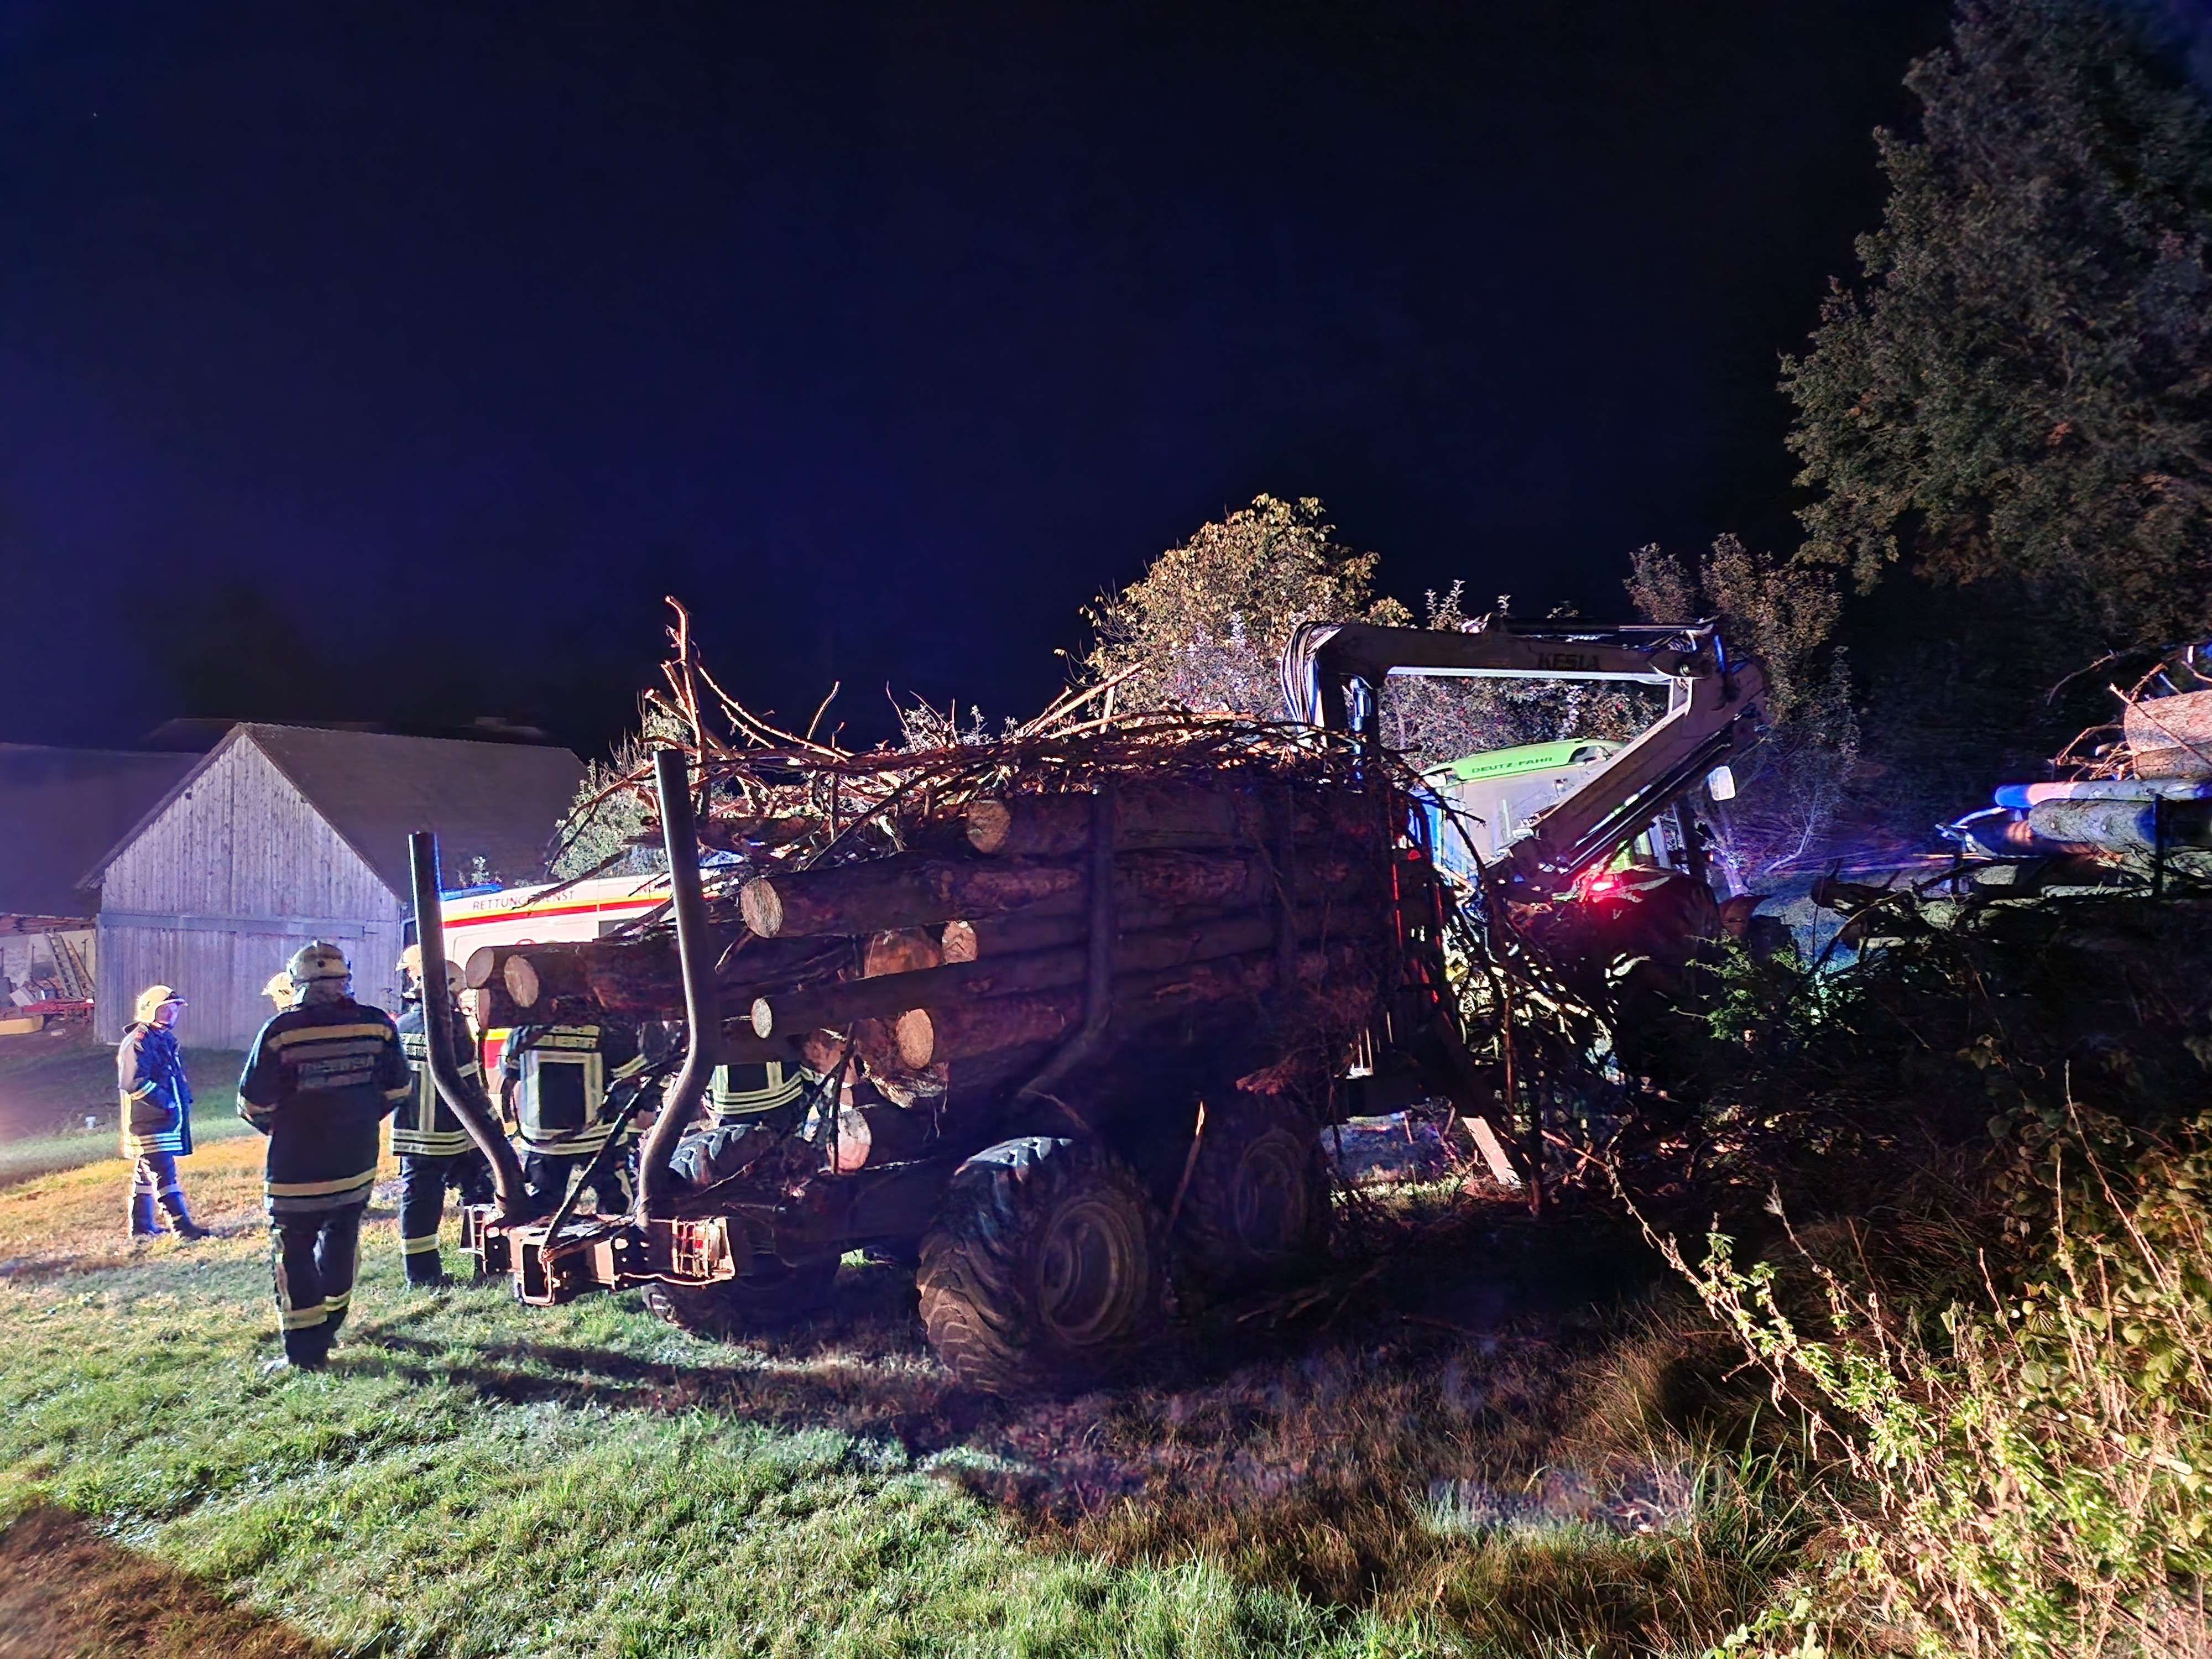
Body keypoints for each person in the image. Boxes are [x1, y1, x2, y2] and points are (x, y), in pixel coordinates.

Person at [237, 940, 410, 1372]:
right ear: (345, 979)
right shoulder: (377, 1025)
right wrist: (359, 1119)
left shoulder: (281, 1031)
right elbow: (398, 1089)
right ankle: (332, 1322)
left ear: (297, 983)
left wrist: (289, 1127)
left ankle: (304, 1351)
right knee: (342, 1237)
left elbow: (251, 1103)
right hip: (355, 1159)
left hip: (296, 1165)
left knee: (292, 1251)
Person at [391, 945, 493, 1287]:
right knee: (480, 1197)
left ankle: (421, 1277)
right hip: (455, 1135)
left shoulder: (401, 1026)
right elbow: (470, 1085)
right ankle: (486, 1266)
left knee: (418, 1206)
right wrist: (491, 1126)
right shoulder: (453, 1029)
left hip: (412, 1138)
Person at [500, 1010, 647, 1214]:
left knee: (542, 1211)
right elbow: (630, 1078)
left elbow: (509, 1071)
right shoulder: (606, 1030)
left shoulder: (523, 1033)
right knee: (617, 1208)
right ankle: (619, 1244)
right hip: (599, 1138)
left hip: (544, 1141)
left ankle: (545, 1245)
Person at [117, 985, 211, 1240]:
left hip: (161, 1122)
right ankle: (182, 1228)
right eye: (165, 1009)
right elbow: (133, 1082)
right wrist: (167, 1103)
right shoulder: (138, 1041)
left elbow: (172, 1075)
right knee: (164, 1174)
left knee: (145, 1176)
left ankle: (141, 1227)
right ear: (149, 1010)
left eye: (174, 1009)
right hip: (148, 1123)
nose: (171, 1014)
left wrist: (182, 1098)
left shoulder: (164, 1039)